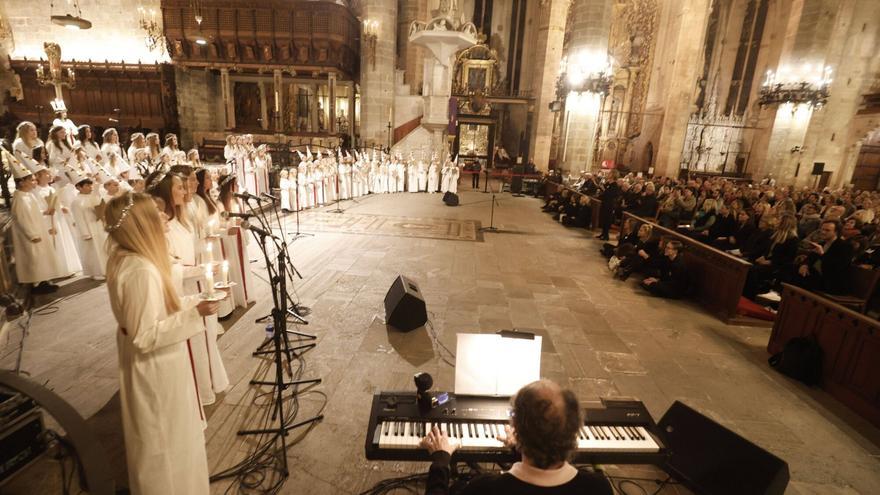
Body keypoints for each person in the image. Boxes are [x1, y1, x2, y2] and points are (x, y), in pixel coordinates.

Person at [104, 192, 217, 495]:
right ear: (142, 225)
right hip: (156, 370)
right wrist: (195, 315)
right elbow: (145, 335)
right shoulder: (140, 270)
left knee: (165, 439)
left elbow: (156, 308)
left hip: (154, 364)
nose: (166, 217)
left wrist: (196, 300)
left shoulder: (131, 259)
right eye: (157, 215)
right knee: (165, 444)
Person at [421, 379, 613, 495]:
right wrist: (518, 448)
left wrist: (441, 460)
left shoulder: (485, 489)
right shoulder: (598, 487)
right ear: (575, 431)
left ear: (517, 429)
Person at [7, 154, 61, 294]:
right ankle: (36, 285)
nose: (34, 182)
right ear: (21, 183)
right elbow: (22, 219)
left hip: (38, 230)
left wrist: (45, 212)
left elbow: (34, 212)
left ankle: (43, 281)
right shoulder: (19, 199)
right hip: (31, 234)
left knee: (41, 258)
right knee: (34, 259)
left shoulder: (29, 195)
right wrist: (32, 234)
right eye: (31, 180)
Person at [792, 219, 854, 295]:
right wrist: (805, 265)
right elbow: (810, 258)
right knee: (790, 268)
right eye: (822, 229)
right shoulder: (822, 243)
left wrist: (822, 254)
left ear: (836, 232)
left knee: (798, 278)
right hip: (816, 276)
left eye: (827, 230)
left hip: (831, 281)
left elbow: (837, 267)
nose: (823, 232)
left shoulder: (845, 247)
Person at [70, 173, 109, 281]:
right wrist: (85, 233)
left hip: (97, 226)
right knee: (92, 252)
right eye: (87, 186)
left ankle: (105, 270)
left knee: (102, 249)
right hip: (88, 229)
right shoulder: (76, 201)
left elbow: (99, 206)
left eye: (90, 185)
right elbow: (79, 219)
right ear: (79, 187)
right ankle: (95, 272)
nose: (90, 188)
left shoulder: (92, 196)